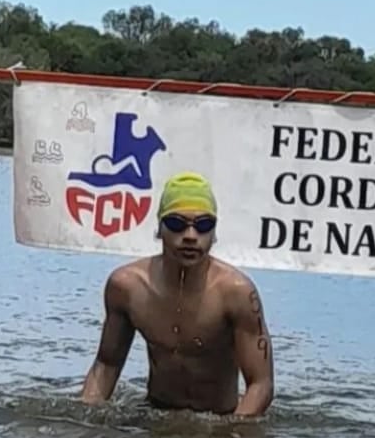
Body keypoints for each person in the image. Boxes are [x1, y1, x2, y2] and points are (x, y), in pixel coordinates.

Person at [79, 172, 275, 417]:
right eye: (176, 224)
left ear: (214, 233)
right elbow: (107, 365)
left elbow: (261, 384)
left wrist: (230, 432)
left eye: (203, 225)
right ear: (159, 228)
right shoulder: (127, 287)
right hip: (155, 414)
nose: (191, 236)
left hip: (220, 418)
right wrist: (84, 426)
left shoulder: (236, 292)